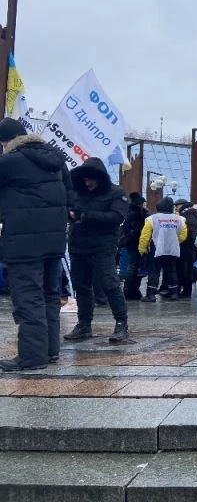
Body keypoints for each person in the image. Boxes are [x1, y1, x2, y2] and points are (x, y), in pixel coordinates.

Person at [0, 118, 70, 371]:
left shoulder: (10, 162)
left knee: (28, 298)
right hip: (54, 241)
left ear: (6, 141)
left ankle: (32, 357)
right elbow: (70, 196)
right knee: (50, 296)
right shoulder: (56, 160)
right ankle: (50, 351)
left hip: (23, 242)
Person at [64, 158, 130, 342]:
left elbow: (116, 217)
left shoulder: (116, 193)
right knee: (81, 287)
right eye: (85, 179)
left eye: (91, 179)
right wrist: (70, 214)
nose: (88, 183)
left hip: (102, 248)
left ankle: (121, 324)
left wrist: (86, 216)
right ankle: (84, 324)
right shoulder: (78, 193)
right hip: (78, 247)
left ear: (100, 178)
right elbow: (70, 209)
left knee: (110, 284)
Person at [138, 197, 187, 302]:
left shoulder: (152, 219)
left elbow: (145, 236)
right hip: (172, 249)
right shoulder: (179, 219)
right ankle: (174, 293)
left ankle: (150, 295)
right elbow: (183, 235)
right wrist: (175, 242)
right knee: (171, 270)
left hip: (156, 249)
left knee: (154, 271)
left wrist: (142, 249)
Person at [120, 193, 149, 300]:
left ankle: (131, 290)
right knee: (134, 266)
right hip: (136, 243)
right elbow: (137, 230)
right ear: (139, 204)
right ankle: (129, 290)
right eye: (143, 203)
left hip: (132, 243)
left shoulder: (130, 212)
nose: (144, 205)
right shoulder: (136, 214)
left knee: (135, 266)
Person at [174, 199, 197, 298]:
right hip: (195, 245)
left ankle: (180, 290)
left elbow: (183, 230)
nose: (176, 208)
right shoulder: (196, 214)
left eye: (177, 206)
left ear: (182, 205)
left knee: (181, 268)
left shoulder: (184, 215)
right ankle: (187, 290)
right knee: (190, 267)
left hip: (185, 244)